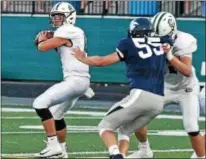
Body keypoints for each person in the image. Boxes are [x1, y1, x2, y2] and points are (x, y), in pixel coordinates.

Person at [72, 17, 174, 159]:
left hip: (141, 94)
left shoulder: (127, 43)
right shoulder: (162, 42)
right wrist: (168, 43)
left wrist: (83, 58)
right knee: (124, 130)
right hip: (159, 101)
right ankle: (122, 155)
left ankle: (115, 155)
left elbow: (102, 61)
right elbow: (168, 39)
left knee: (105, 126)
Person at [118, 11, 206, 159]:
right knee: (137, 116)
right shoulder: (150, 39)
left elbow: (187, 71)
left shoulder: (184, 40)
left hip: (186, 88)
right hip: (163, 86)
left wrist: (170, 55)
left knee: (192, 127)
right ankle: (145, 150)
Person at [33, 2, 92, 158]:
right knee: (56, 114)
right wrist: (48, 37)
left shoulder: (68, 30)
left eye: (60, 16)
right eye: (55, 16)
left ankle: (53, 145)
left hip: (75, 80)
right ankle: (62, 152)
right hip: (81, 80)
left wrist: (41, 39)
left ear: (69, 17)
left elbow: (42, 47)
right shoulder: (72, 31)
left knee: (39, 103)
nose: (57, 20)